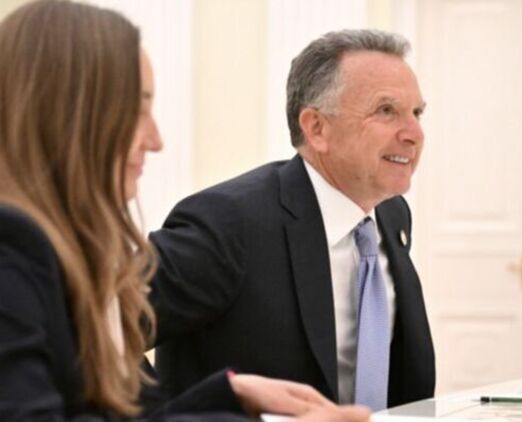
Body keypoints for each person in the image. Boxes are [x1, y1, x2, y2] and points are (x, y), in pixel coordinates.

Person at [0, 1, 369, 421]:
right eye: (136, 110)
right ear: (69, 115)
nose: (156, 140)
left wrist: (230, 394)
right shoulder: (12, 245)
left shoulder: (69, 249)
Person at [150, 29, 435, 411]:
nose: (414, 134)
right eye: (386, 111)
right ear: (317, 128)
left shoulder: (392, 215)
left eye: (417, 113)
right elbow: (94, 329)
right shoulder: (227, 223)